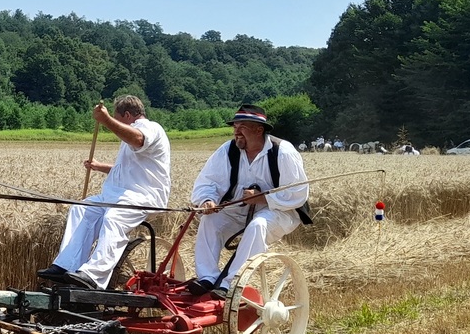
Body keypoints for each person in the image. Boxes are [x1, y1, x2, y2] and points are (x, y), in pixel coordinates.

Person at [37, 94, 171, 290]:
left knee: (114, 217)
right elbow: (126, 169)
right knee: (81, 209)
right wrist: (100, 166)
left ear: (127, 115)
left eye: (117, 119)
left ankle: (94, 275)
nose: (115, 125)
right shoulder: (130, 138)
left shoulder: (151, 128)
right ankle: (66, 265)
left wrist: (106, 120)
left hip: (143, 196)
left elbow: (138, 139)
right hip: (118, 195)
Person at [187, 105, 311, 299]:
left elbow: (297, 193)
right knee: (210, 221)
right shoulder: (227, 150)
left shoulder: (282, 152)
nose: (236, 132)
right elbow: (207, 181)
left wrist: (263, 198)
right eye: (235, 127)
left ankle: (230, 284)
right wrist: (208, 200)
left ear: (258, 129)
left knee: (258, 226)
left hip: (281, 211)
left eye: (242, 127)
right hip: (239, 210)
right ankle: (207, 278)